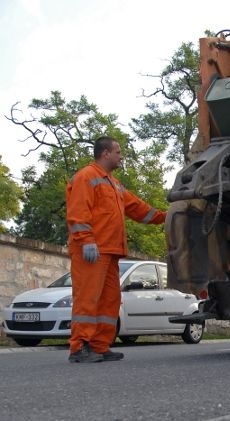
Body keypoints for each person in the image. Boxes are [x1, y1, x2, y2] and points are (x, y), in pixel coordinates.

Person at [66, 136, 166, 363]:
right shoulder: (86, 177)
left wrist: (167, 217)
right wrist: (86, 240)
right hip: (91, 249)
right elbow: (78, 212)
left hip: (109, 251)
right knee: (87, 299)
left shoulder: (114, 184)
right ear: (105, 153)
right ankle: (79, 347)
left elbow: (139, 209)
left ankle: (99, 346)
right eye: (118, 152)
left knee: (110, 300)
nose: (121, 156)